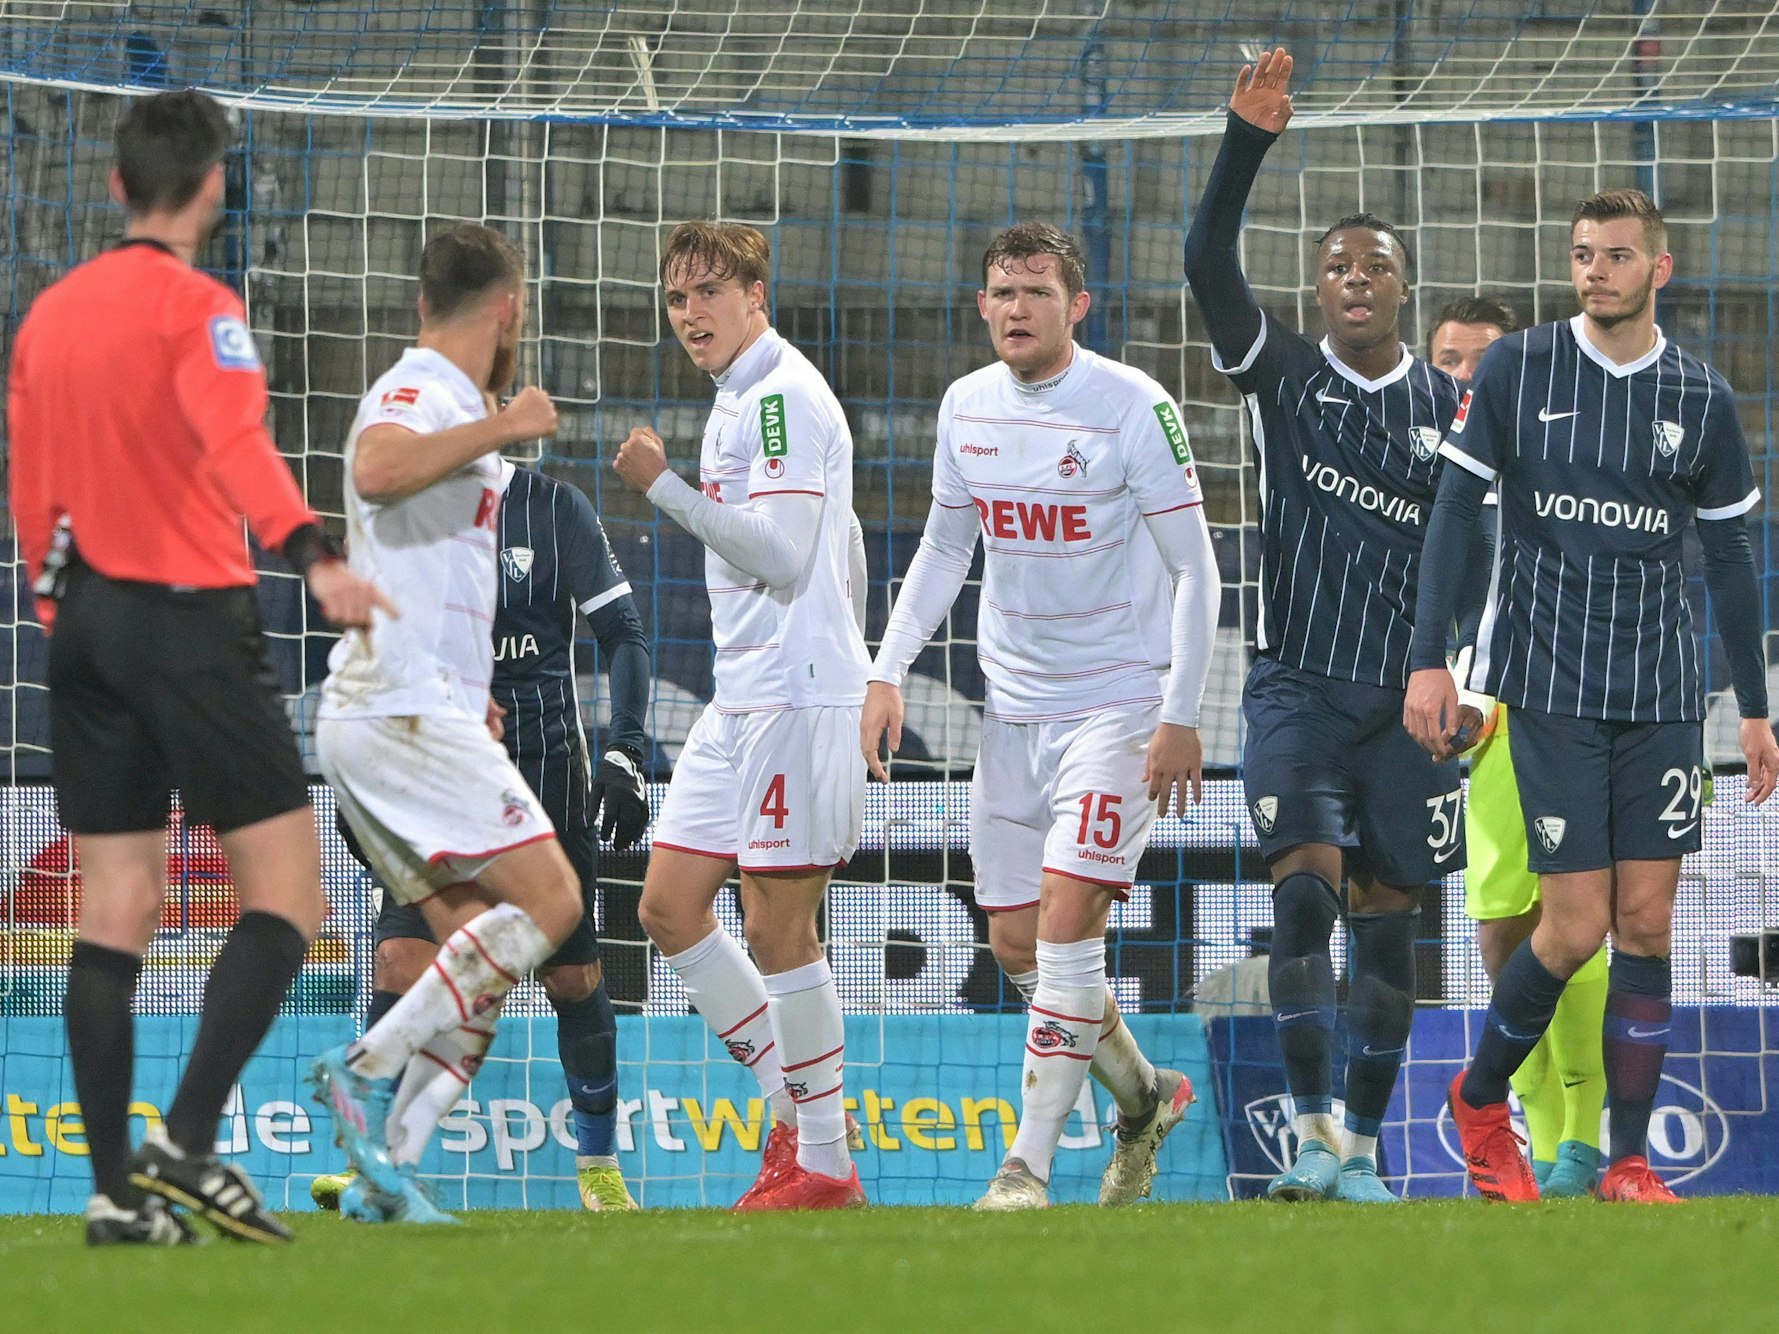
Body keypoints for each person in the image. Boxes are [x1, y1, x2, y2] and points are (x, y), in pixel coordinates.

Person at [5, 89, 390, 1245]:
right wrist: (316, 555)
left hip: (76, 626)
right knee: (291, 893)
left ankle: (116, 1191)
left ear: (118, 188)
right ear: (217, 188)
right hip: (188, 620)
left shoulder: (48, 317)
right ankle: (188, 1130)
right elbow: (237, 447)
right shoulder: (201, 309)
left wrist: (51, 596)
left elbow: (29, 487)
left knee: (116, 901)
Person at [1406, 187, 1779, 1203]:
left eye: (1616, 255)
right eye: (1582, 254)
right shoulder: (1520, 364)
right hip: (1551, 682)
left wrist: (1751, 705)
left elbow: (1733, 555)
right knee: (1572, 926)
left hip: (1660, 688)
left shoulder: (1700, 397)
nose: (1595, 269)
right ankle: (1482, 1099)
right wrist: (1429, 656)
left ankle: (1626, 1159)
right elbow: (1451, 513)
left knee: (1648, 923)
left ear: (1659, 270)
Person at [861, 222, 1217, 1211]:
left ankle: (1027, 1165)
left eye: (1036, 292)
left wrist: (1180, 711)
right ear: (982, 306)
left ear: (1077, 306)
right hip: (1009, 719)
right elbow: (942, 550)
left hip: (1115, 708)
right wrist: (886, 670)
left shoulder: (1131, 406)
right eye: (1001, 293)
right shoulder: (965, 406)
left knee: (1066, 928)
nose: (1016, 308)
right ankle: (1144, 1098)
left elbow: (1197, 566)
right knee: (1017, 944)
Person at [1182, 47, 1466, 1203]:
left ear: (1404, 287)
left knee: (1391, 932)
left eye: (1376, 266)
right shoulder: (1283, 377)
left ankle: (1359, 1145)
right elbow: (1205, 257)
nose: (1355, 279)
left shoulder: (1455, 410)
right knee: (1302, 899)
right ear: (1318, 292)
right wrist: (1246, 142)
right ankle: (1303, 1134)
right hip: (1296, 685)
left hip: (1403, 701)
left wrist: (1458, 673)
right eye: (1337, 267)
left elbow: (1480, 550)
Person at [308, 223, 587, 1224]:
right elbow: (378, 469)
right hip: (395, 709)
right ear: (508, 308)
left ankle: (388, 1171)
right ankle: (366, 1068)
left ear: (425, 297)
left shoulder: (452, 401)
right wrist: (504, 427)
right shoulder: (421, 387)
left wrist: (470, 686)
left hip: (416, 708)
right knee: (552, 904)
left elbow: (415, 556)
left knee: (479, 953)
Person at [310, 459, 652, 1213]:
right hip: (439, 766)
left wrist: (625, 752)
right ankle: (380, 1159)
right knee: (403, 960)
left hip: (546, 770)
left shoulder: (552, 506)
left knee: (570, 979)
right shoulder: (407, 514)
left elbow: (622, 634)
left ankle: (598, 1168)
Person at [612, 221, 870, 1211]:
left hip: (797, 692)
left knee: (776, 924)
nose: (690, 315)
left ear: (755, 293)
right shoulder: (737, 402)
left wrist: (662, 487)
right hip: (747, 689)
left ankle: (827, 1163)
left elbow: (788, 554)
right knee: (669, 904)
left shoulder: (781, 398)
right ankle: (790, 1113)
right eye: (677, 298)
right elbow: (838, 551)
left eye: (709, 293)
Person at [1431, 298, 1612, 1197]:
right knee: (1506, 939)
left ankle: (1578, 1142)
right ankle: (1537, 1142)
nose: (1464, 375)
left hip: (1570, 710)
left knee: (1575, 924)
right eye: (1449, 360)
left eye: (1480, 359)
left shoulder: (1566, 454)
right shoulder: (1434, 471)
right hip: (1477, 723)